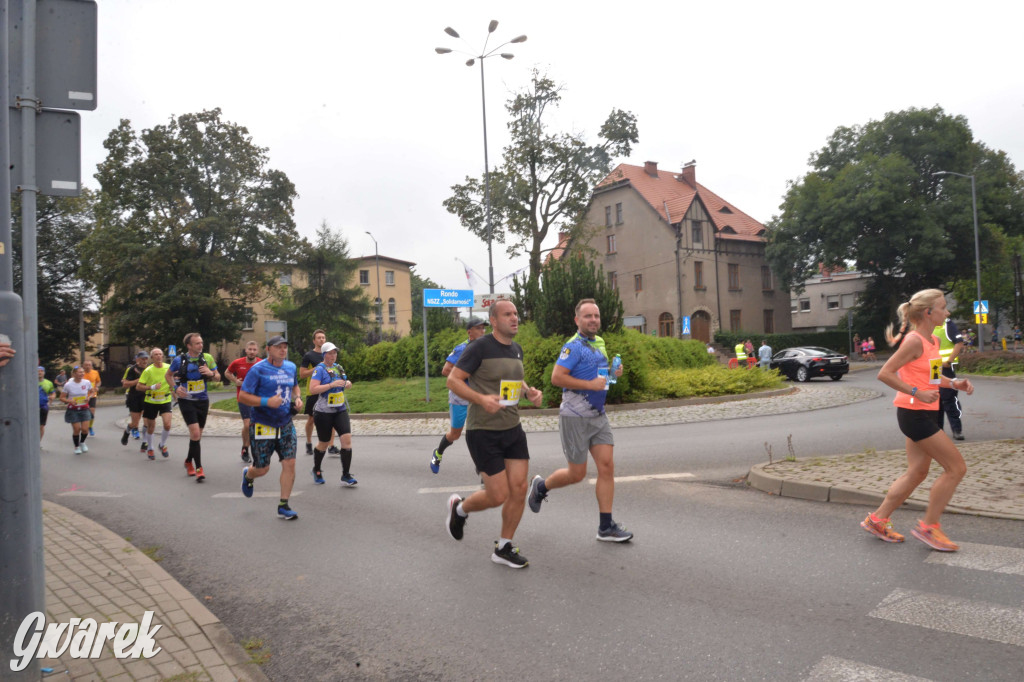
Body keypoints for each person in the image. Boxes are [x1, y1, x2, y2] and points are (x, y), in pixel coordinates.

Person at [860, 288, 974, 552]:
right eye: (943, 308)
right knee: (956, 468)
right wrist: (915, 392)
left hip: (928, 411)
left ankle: (877, 520)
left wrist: (956, 383)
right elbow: (885, 373)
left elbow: (934, 377)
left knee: (918, 472)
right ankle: (929, 527)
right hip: (913, 413)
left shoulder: (932, 341)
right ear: (928, 312)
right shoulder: (913, 341)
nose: (947, 312)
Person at [444, 300, 543, 568]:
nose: (515, 318)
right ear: (494, 320)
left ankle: (503, 547)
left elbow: (514, 381)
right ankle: (460, 509)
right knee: (497, 495)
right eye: (508, 314)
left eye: (516, 314)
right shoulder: (479, 347)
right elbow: (452, 379)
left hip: (512, 428)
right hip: (483, 431)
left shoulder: (516, 350)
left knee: (519, 489)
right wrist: (480, 399)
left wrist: (528, 392)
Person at [527, 299, 632, 542]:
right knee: (577, 474)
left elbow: (599, 378)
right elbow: (557, 377)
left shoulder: (600, 343)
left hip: (598, 415)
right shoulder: (572, 347)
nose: (593, 320)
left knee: (607, 466)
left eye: (596, 316)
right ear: (577, 320)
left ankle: (606, 526)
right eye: (588, 316)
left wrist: (613, 375)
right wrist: (589, 385)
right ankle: (540, 487)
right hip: (574, 417)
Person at [238, 335, 303, 521]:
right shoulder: (257, 370)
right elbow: (243, 396)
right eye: (278, 347)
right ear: (268, 349)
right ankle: (249, 475)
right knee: (262, 469)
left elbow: (295, 386)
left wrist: (297, 398)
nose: (283, 350)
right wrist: (266, 401)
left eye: (285, 347)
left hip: (285, 422)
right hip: (262, 424)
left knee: (289, 462)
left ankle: (284, 505)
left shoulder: (290, 367)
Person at [431, 316, 488, 474]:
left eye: (484, 328)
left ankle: (482, 467)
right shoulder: (462, 348)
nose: (483, 331)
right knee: (455, 434)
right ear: (470, 332)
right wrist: (468, 376)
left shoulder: (485, 348)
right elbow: (446, 370)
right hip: (460, 398)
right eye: (479, 328)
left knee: (479, 432)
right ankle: (438, 453)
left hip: (476, 397)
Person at [166, 333, 220, 483]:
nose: (200, 345)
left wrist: (211, 373)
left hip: (202, 400)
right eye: (197, 343)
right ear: (189, 346)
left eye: (201, 343)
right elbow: (168, 375)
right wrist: (176, 388)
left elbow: (218, 376)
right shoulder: (179, 360)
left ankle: (189, 460)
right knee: (195, 433)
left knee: (197, 436)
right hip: (186, 400)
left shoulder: (207, 358)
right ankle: (199, 468)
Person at [307, 341, 356, 485]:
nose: (333, 356)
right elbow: (313, 389)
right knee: (324, 442)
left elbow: (346, 382)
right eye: (330, 353)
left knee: (346, 440)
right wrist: (331, 385)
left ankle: (346, 475)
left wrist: (348, 384)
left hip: (340, 409)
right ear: (324, 355)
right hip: (323, 412)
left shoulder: (338, 368)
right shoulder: (319, 369)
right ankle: (316, 469)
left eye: (335, 353)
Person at [299, 329, 335, 456]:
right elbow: (302, 374)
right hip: (313, 392)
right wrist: (317, 367)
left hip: (329, 391)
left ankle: (331, 446)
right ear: (314, 340)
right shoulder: (309, 355)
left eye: (323, 337)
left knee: (332, 418)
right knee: (312, 419)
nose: (321, 339)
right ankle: (308, 442)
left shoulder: (330, 354)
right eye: (319, 337)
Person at [225, 341, 262, 463]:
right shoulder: (237, 362)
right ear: (246, 350)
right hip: (243, 397)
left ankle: (247, 448)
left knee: (254, 425)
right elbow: (227, 372)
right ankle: (246, 448)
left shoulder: (261, 363)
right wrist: (235, 381)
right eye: (250, 349)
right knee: (247, 424)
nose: (252, 351)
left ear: (257, 351)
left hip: (257, 398)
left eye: (254, 349)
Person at [136, 348, 173, 460]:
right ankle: (150, 448)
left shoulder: (168, 368)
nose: (158, 356)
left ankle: (162, 445)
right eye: (156, 354)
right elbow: (138, 386)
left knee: (167, 424)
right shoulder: (148, 370)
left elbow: (172, 382)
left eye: (160, 354)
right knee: (151, 426)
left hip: (165, 400)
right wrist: (151, 387)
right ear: (152, 357)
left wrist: (176, 395)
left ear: (163, 356)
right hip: (151, 401)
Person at [934, 317, 965, 441]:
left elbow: (959, 342)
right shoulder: (924, 324)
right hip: (934, 366)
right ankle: (938, 432)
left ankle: (956, 430)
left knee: (949, 399)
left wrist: (949, 360)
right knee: (936, 400)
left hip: (945, 367)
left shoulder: (947, 324)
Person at [60, 366, 93, 454]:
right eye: (79, 372)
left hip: (84, 408)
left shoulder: (87, 382)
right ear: (74, 374)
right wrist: (69, 401)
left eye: (83, 372)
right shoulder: (68, 385)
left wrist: (88, 397)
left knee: (85, 429)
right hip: (73, 409)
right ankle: (76, 446)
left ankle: (82, 442)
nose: (82, 374)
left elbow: (92, 391)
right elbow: (62, 398)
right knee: (77, 429)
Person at [119, 351, 149, 446]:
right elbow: (125, 384)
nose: (144, 360)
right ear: (138, 359)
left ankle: (145, 441)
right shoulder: (132, 369)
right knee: (135, 423)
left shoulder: (150, 369)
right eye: (143, 358)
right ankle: (127, 431)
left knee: (147, 421)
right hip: (134, 397)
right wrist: (138, 381)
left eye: (146, 358)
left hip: (147, 397)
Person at [81, 359, 101, 436]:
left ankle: (90, 427)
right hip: (83, 396)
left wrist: (97, 386)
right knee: (83, 412)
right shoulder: (81, 373)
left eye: (89, 365)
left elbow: (98, 381)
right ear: (83, 366)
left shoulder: (95, 372)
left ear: (91, 366)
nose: (88, 366)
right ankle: (84, 426)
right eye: (86, 365)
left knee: (92, 411)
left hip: (92, 394)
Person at [38, 366, 55, 440]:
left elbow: (53, 393)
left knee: (41, 426)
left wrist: (51, 399)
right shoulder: (30, 382)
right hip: (31, 407)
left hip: (43, 406)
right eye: (38, 371)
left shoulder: (49, 383)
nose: (40, 372)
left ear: (44, 373)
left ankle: (38, 442)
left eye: (41, 371)